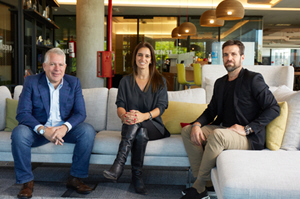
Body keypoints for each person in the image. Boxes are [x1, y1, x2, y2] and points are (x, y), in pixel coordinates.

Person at [180, 40, 280, 199]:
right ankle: (206, 185)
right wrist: (197, 124)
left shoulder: (253, 79)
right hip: (226, 129)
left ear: (242, 57)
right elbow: (211, 110)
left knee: (218, 135)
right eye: (226, 54)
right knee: (187, 130)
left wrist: (247, 128)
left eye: (233, 54)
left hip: (248, 136)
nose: (229, 58)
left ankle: (198, 187)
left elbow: (274, 108)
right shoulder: (220, 83)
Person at [11, 48, 96, 199]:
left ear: (65, 67)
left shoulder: (73, 82)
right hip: (38, 130)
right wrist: (43, 130)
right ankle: (27, 182)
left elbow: (80, 113)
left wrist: (64, 128)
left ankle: (75, 178)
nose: (57, 69)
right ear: (44, 66)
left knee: (87, 131)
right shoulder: (31, 81)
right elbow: (22, 113)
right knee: (18, 133)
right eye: (52, 64)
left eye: (60, 65)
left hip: (64, 131)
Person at [103, 42, 170, 195]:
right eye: (140, 55)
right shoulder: (126, 81)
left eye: (147, 56)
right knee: (139, 132)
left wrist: (142, 116)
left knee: (137, 122)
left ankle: (118, 165)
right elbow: (120, 105)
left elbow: (162, 107)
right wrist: (123, 115)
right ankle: (137, 177)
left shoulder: (160, 81)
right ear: (135, 58)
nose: (143, 58)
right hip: (132, 125)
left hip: (154, 126)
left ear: (151, 60)